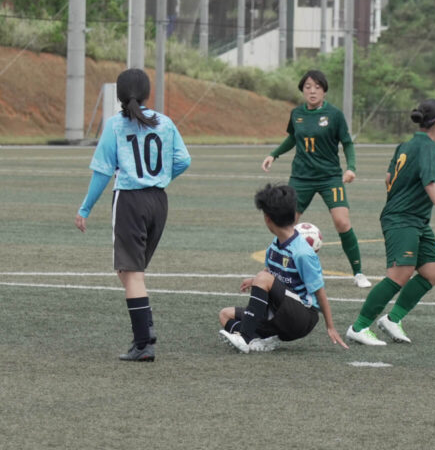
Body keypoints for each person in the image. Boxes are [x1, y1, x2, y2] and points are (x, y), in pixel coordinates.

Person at [76, 69, 191, 362]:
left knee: (132, 274)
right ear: (147, 93)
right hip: (158, 202)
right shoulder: (165, 122)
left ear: (119, 94)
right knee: (129, 271)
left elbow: (103, 171)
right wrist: (162, 178)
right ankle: (144, 331)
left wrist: (85, 208)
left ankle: (143, 342)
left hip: (130, 200)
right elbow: (183, 160)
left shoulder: (115, 125)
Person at [346, 99, 435, 346]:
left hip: (415, 219)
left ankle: (392, 319)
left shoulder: (405, 145)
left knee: (433, 270)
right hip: (402, 218)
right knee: (399, 274)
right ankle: (359, 327)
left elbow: (388, 178)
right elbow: (430, 183)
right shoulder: (428, 147)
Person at [261, 69, 370, 288]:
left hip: (330, 177)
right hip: (301, 177)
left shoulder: (334, 115)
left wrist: (351, 168)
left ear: (324, 91)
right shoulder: (297, 114)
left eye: (317, 87)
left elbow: (347, 143)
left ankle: (358, 273)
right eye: (308, 87)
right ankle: (275, 269)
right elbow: (292, 138)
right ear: (302, 90)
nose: (312, 91)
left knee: (342, 222)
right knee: (286, 223)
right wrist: (274, 154)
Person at [218, 183, 349, 353]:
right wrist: (254, 281)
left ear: (267, 219)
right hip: (279, 312)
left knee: (262, 278)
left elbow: (319, 292)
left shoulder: (302, 252)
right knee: (225, 315)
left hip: (302, 317)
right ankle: (259, 340)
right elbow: (270, 272)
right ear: (294, 215)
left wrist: (330, 327)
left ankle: (245, 338)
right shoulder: (275, 244)